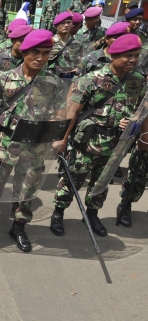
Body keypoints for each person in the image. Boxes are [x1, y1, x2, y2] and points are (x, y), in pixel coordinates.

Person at [0, 29, 64, 252]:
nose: (40, 58)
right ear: (23, 51)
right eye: (35, 52)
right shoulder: (5, 78)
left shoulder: (54, 82)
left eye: (46, 53)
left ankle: (19, 227)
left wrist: (57, 133)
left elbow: (60, 111)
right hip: (5, 142)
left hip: (35, 146)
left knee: (27, 188)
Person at [51, 34, 146, 237]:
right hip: (87, 143)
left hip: (116, 144)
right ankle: (58, 213)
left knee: (101, 183)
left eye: (136, 56)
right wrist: (63, 138)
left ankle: (92, 213)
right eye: (128, 56)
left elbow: (139, 109)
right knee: (72, 180)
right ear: (114, 55)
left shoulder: (137, 80)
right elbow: (73, 111)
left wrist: (132, 122)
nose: (133, 60)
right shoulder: (91, 80)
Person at [47, 11, 83, 77]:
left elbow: (80, 62)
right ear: (56, 26)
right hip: (52, 77)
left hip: (69, 79)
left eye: (69, 22)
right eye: (63, 23)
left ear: (72, 25)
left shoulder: (77, 43)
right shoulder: (49, 42)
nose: (66, 25)